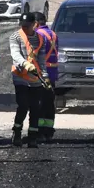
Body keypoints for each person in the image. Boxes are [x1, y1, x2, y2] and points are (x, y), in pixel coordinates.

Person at [9, 11, 49, 148]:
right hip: (20, 77)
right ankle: (17, 132)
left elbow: (42, 60)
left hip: (35, 78)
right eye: (23, 25)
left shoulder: (41, 39)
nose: (24, 28)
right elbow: (15, 55)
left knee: (35, 108)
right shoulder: (15, 37)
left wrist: (45, 76)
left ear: (34, 25)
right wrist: (25, 64)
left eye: (27, 26)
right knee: (23, 105)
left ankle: (33, 137)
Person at [34, 10, 59, 142]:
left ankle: (39, 132)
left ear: (36, 23)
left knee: (39, 104)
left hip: (42, 73)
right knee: (49, 103)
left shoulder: (38, 34)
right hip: (53, 72)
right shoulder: (53, 34)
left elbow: (35, 54)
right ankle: (49, 131)